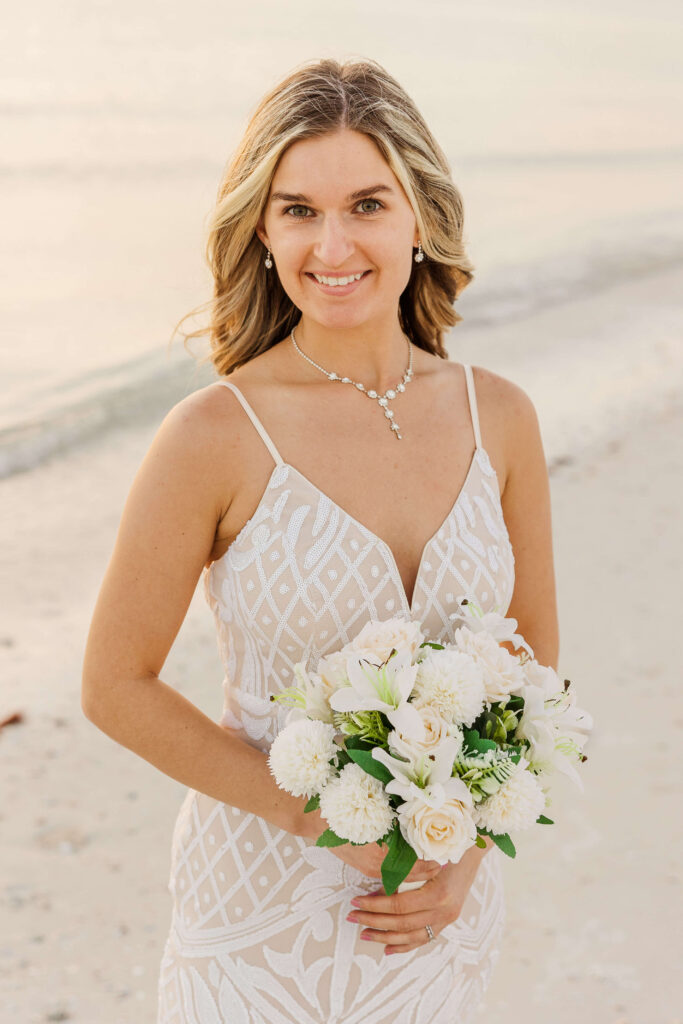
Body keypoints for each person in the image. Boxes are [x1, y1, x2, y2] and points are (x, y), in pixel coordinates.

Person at [81, 57, 558, 1023]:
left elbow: (535, 657)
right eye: (296, 210)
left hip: (435, 918)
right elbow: (113, 686)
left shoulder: (499, 416)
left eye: (366, 204)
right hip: (255, 921)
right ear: (259, 228)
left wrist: (460, 849)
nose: (330, 243)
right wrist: (319, 818)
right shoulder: (213, 434)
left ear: (420, 216)